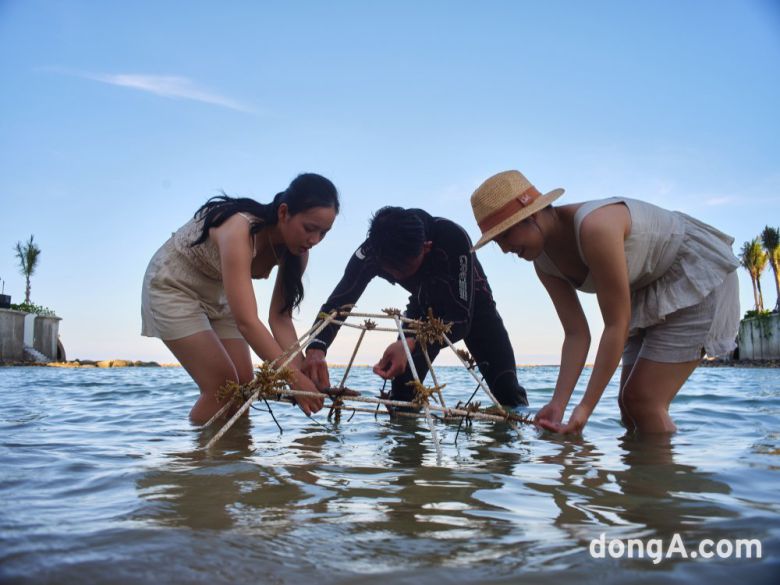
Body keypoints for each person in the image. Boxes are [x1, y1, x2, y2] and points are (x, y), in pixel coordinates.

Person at [469, 170, 740, 434]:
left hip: (691, 274)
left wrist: (585, 408)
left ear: (531, 214)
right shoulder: (543, 263)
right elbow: (576, 334)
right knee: (628, 407)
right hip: (643, 291)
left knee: (643, 401)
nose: (504, 249)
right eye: (496, 241)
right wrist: (558, 404)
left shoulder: (595, 228)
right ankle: (645, 467)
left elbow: (616, 325)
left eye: (505, 235)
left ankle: (673, 465)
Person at [141, 173, 339, 424]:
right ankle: (196, 448)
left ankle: (236, 451)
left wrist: (303, 374)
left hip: (218, 292)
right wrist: (293, 378)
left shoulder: (297, 252)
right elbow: (247, 322)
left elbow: (280, 319)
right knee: (222, 386)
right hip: (173, 285)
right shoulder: (239, 229)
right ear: (283, 212)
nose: (314, 240)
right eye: (309, 229)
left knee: (243, 388)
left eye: (324, 233)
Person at [301, 206, 528, 408]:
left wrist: (411, 343)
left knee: (508, 392)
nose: (398, 276)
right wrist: (317, 347)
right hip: (422, 306)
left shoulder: (452, 237)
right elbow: (339, 302)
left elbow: (460, 319)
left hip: (473, 308)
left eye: (404, 269)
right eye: (391, 271)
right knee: (402, 399)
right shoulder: (372, 251)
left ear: (426, 248)